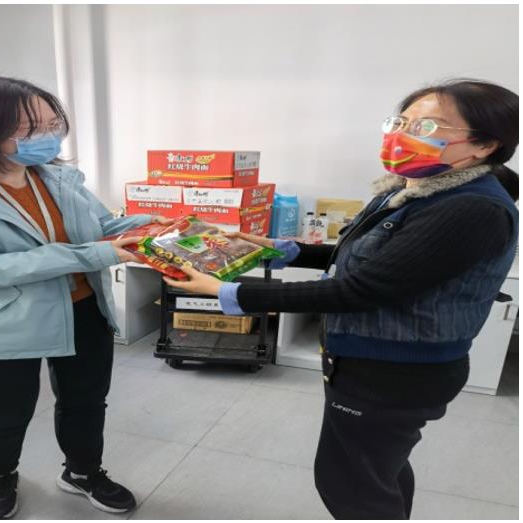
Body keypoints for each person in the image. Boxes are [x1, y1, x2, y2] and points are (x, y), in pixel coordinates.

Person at [165, 79, 518, 519]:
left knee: (350, 484)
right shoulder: (411, 188)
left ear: (485, 145)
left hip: (395, 373)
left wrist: (228, 291)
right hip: (371, 363)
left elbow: (361, 289)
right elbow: (361, 256)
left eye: (427, 126)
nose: (403, 135)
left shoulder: (469, 209)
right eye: (400, 122)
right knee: (378, 470)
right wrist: (275, 248)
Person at [0, 75, 168, 520]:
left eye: (51, 124)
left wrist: (159, 226)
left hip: (82, 307)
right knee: (5, 412)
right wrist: (95, 253)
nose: (46, 136)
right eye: (29, 128)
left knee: (86, 401)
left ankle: (83, 472)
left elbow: (101, 228)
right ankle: (0, 474)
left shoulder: (56, 177)